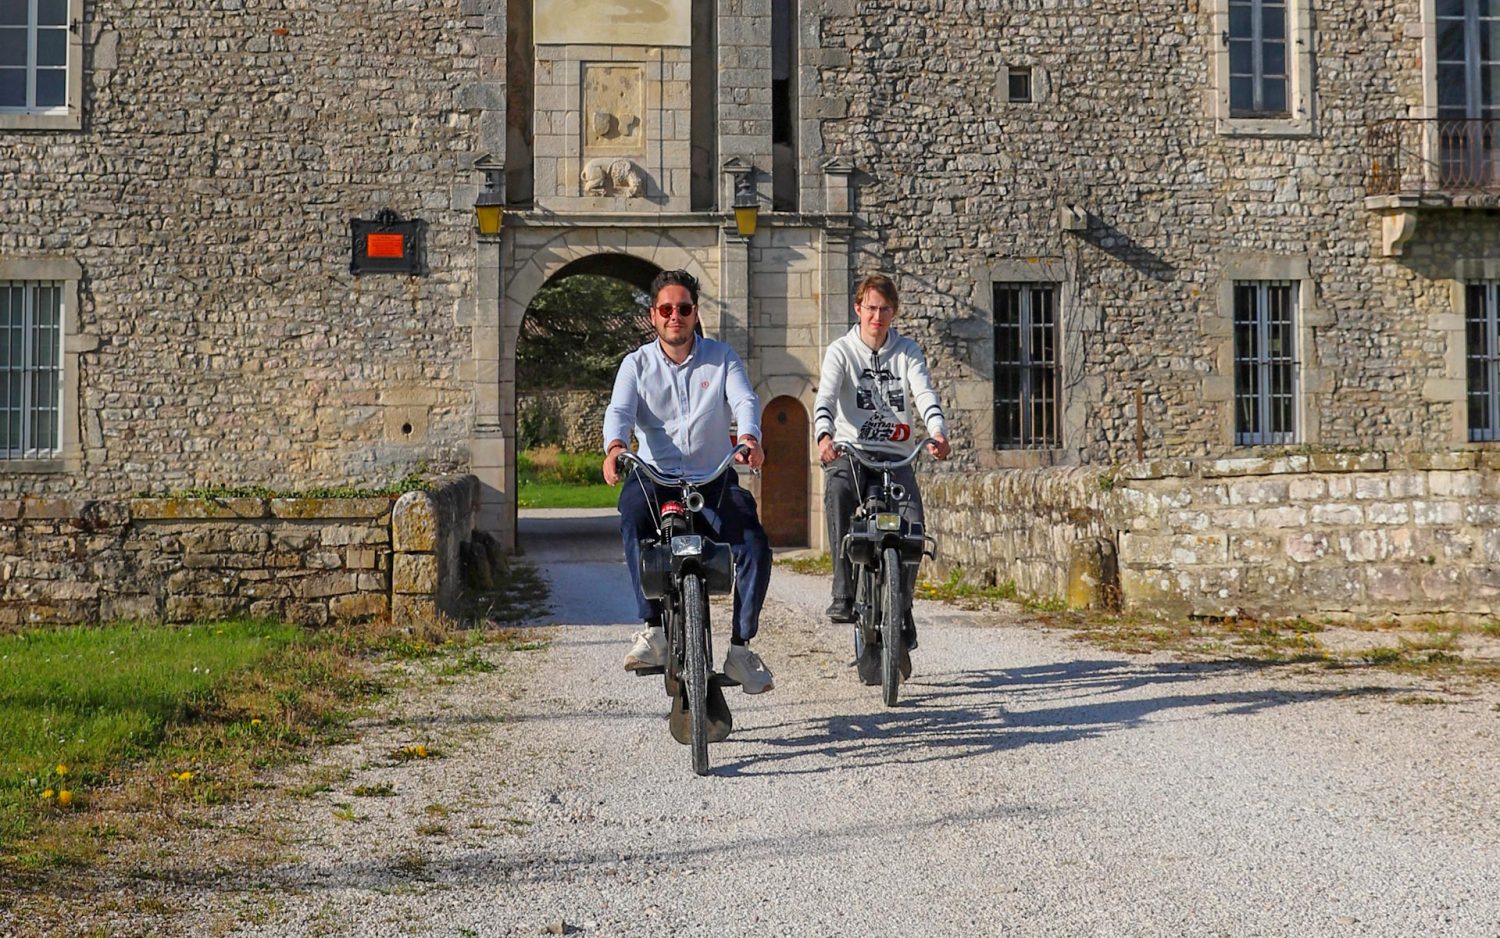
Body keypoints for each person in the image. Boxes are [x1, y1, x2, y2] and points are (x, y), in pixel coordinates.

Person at [602, 269, 775, 694]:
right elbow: (620, 410)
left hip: (712, 478)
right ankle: (652, 629)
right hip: (654, 479)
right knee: (630, 517)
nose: (674, 316)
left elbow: (744, 399)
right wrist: (614, 447)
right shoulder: (635, 364)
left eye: (683, 308)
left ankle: (740, 648)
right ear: (653, 316)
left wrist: (750, 436)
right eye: (666, 309)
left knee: (754, 543)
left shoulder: (722, 357)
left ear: (695, 314)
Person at [814, 273, 951, 677]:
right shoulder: (841, 350)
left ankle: (902, 607)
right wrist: (824, 435)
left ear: (894, 312)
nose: (877, 316)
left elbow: (923, 392)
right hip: (851, 451)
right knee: (837, 487)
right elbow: (825, 395)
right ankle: (843, 590)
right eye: (871, 308)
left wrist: (937, 431)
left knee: (913, 527)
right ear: (858, 308)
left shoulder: (906, 351)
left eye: (885, 309)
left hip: (896, 452)